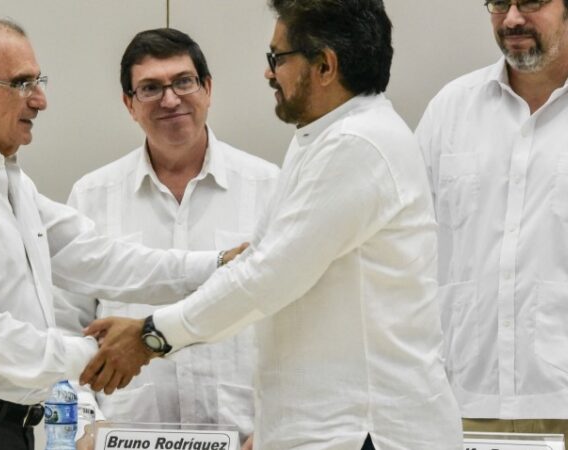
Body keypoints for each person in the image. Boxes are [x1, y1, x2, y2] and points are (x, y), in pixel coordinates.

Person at [78, 1, 463, 449]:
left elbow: (265, 279)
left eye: (278, 58)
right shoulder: (319, 140)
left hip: (363, 430)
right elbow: (256, 265)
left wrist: (151, 335)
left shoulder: (357, 145)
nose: (268, 73)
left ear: (325, 66)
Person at [0, 15, 244, 450]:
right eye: (22, 84)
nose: (39, 100)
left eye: (38, 82)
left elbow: (97, 257)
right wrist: (102, 353)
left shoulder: (6, 181)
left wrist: (218, 265)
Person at [54, 28, 278, 448]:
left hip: (249, 440)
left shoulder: (269, 188)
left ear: (208, 88)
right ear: (129, 104)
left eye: (183, 82)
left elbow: (300, 326)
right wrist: (84, 427)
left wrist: (272, 431)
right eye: (150, 88)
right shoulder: (91, 196)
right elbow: (64, 328)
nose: (170, 99)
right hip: (122, 441)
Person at [415, 0, 568, 448]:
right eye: (500, 3)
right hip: (463, 404)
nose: (512, 18)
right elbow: (407, 250)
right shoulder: (450, 110)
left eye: (530, 1)